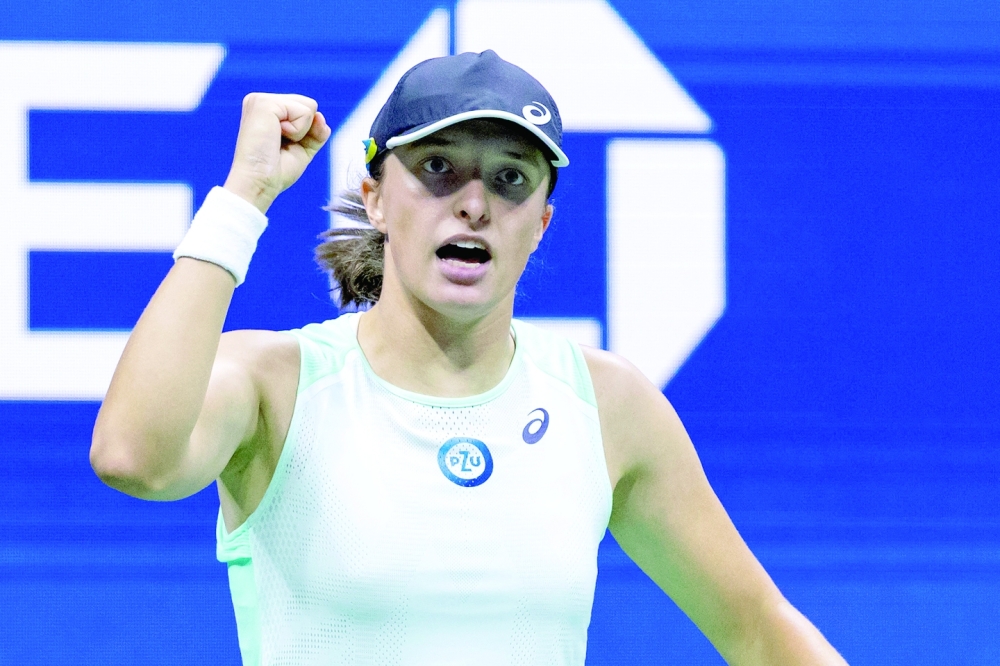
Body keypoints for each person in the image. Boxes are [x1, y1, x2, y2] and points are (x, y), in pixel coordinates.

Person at [90, 50, 846, 665]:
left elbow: (757, 627)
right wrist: (244, 196)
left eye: (510, 178)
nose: (475, 203)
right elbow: (134, 458)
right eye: (438, 169)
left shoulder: (604, 403)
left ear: (541, 222)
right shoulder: (277, 383)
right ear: (376, 198)